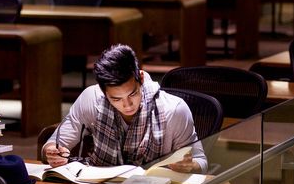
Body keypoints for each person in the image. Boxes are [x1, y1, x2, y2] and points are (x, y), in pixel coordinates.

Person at [43, 43, 207, 173]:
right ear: (103, 91)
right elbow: (53, 144)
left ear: (141, 78)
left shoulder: (173, 110)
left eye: (133, 94)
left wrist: (190, 165)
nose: (127, 105)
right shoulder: (92, 99)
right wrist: (53, 153)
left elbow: (201, 160)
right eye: (116, 99)